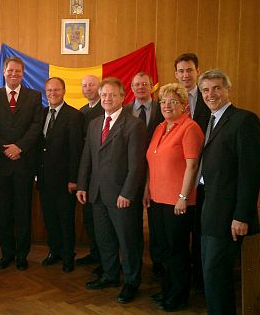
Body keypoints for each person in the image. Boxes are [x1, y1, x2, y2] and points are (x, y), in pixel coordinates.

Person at [76, 77, 147, 304]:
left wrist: (127, 193)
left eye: (112, 95)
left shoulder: (134, 124)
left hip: (121, 196)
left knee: (128, 241)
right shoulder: (95, 123)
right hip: (96, 193)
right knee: (104, 239)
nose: (107, 98)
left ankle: (131, 282)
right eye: (104, 94)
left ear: (122, 97)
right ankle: (109, 275)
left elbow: (137, 165)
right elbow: (87, 157)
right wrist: (82, 185)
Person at [198, 69, 260, 315]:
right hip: (210, 209)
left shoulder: (244, 120)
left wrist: (242, 215)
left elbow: (251, 173)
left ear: (227, 90)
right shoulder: (210, 120)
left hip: (229, 215)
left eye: (216, 88)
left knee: (216, 273)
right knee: (211, 273)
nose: (210, 94)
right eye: (205, 90)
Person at [143, 83, 204, 312]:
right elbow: (151, 162)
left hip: (178, 202)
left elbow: (193, 166)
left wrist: (183, 196)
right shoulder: (160, 127)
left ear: (184, 105)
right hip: (157, 199)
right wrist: (147, 189)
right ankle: (167, 289)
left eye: (173, 101)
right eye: (164, 102)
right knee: (163, 250)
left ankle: (179, 296)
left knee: (177, 250)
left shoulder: (190, 128)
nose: (167, 106)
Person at [0, 56, 43, 271]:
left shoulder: (34, 97)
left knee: (22, 211)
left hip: (24, 164)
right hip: (1, 165)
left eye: (18, 71)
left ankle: (22, 255)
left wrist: (19, 147)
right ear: (4, 72)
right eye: (10, 71)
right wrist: (5, 148)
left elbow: (36, 126)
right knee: (2, 211)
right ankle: (6, 253)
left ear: (23, 73)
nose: (14, 74)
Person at [37, 77, 84, 273]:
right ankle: (53, 251)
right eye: (49, 90)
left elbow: (76, 150)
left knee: (66, 219)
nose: (52, 93)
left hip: (65, 181)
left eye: (56, 90)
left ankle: (67, 255)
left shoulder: (74, 115)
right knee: (50, 219)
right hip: (44, 179)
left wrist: (74, 179)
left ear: (64, 91)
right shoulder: (41, 114)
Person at [174, 53, 211, 290]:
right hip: (177, 178)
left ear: (197, 71)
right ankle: (178, 276)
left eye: (190, 70)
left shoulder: (208, 98)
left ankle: (199, 277)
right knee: (178, 234)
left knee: (199, 231)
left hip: (203, 177)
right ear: (176, 74)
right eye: (181, 71)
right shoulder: (170, 99)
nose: (185, 75)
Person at [124, 72, 164, 277]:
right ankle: (135, 265)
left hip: (157, 173)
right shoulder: (125, 110)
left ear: (152, 87)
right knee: (133, 222)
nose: (140, 87)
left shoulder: (162, 108)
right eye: (136, 84)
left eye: (144, 84)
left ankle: (158, 263)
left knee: (156, 223)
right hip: (131, 174)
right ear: (131, 88)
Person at [76, 75, 103, 270]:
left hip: (101, 174)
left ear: (99, 88)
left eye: (91, 85)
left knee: (101, 220)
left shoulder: (106, 110)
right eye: (84, 85)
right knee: (89, 219)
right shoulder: (82, 111)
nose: (88, 88)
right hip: (86, 172)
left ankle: (104, 258)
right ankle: (95, 253)